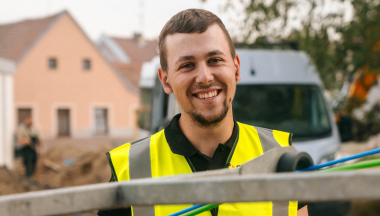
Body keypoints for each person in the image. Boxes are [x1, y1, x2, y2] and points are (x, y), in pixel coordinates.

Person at [98, 9, 307, 216]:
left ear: (236, 68)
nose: (205, 77)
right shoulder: (131, 169)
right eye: (187, 65)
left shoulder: (281, 156)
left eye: (214, 60)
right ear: (165, 80)